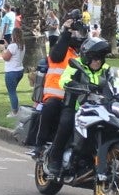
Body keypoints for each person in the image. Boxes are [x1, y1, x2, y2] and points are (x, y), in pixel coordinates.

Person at [42, 37, 112, 175]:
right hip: (76, 106)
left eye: (101, 57)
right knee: (67, 122)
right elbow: (64, 80)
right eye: (95, 57)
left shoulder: (107, 69)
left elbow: (117, 82)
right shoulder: (76, 64)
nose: (98, 61)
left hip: (99, 109)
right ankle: (54, 158)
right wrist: (77, 85)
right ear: (87, 56)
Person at [35, 10, 88, 151]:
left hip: (77, 99)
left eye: (80, 33)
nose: (78, 35)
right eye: (76, 33)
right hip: (56, 96)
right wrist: (66, 30)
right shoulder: (60, 51)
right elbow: (57, 54)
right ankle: (40, 144)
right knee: (50, 108)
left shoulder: (84, 55)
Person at [2, 27, 26, 115]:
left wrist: (2, 50)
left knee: (12, 92)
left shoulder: (13, 46)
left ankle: (15, 111)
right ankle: (15, 109)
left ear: (13, 35)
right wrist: (6, 46)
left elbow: (6, 58)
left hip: (11, 71)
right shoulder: (22, 45)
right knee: (13, 91)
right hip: (19, 70)